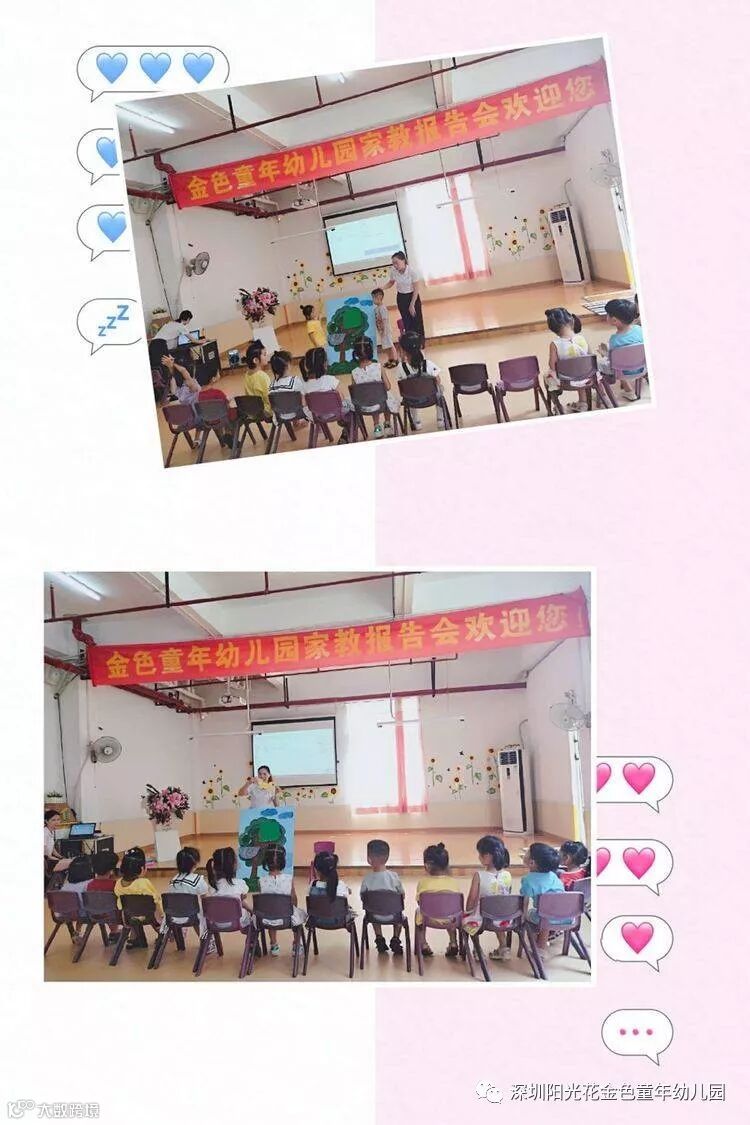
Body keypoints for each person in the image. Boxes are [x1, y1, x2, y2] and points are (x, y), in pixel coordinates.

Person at [462, 835, 512, 959]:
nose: (479, 857)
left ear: (488, 856)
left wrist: (468, 911)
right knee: (498, 910)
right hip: (504, 918)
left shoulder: (479, 875)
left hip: (483, 918)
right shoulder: (507, 875)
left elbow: (472, 898)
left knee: (467, 920)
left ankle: (477, 949)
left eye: (480, 854)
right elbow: (506, 895)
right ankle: (504, 947)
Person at [415, 842, 462, 958]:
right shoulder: (453, 882)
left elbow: (420, 903)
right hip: (450, 920)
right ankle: (453, 942)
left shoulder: (422, 882)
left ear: (427, 865)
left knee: (419, 912)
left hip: (429, 919)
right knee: (451, 912)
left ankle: (423, 944)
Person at [519, 842, 565, 958]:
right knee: (546, 913)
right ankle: (544, 942)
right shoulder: (553, 875)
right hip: (565, 916)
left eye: (527, 852)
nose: (525, 853)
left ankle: (538, 946)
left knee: (532, 915)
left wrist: (522, 917)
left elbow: (524, 902)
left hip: (545, 917)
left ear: (532, 863)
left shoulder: (528, 880)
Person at [258, 844, 306, 955]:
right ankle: (296, 945)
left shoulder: (261, 880)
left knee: (271, 911)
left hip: (267, 919)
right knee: (298, 917)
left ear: (265, 862)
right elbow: (293, 898)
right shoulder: (289, 879)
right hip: (287, 918)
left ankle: (274, 945)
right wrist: (293, 909)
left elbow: (264, 901)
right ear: (283, 861)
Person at [359, 839, 404, 955]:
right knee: (398, 912)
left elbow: (363, 897)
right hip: (394, 915)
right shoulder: (394, 876)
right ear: (387, 857)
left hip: (374, 916)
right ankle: (395, 938)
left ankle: (379, 938)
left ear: (369, 858)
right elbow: (402, 895)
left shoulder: (367, 879)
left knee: (373, 908)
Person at [351, 336, 400, 439]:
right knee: (385, 396)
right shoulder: (378, 367)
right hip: (381, 404)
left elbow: (355, 393)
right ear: (371, 351)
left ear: (356, 353)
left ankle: (377, 427)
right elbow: (388, 387)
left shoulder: (354, 372)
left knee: (372, 397)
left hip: (364, 406)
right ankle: (387, 424)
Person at [543, 307, 591, 413]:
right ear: (572, 320)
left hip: (565, 380)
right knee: (579, 369)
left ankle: (557, 405)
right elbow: (590, 357)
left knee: (547, 376)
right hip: (586, 377)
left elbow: (552, 365)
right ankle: (583, 402)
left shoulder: (555, 344)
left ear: (553, 329)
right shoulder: (582, 338)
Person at [597, 298, 645, 400]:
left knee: (600, 364)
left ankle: (627, 391)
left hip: (622, 372)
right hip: (642, 368)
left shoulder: (614, 340)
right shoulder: (640, 330)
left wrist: (603, 353)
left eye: (607, 314)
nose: (606, 316)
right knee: (624, 359)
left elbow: (613, 360)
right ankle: (630, 390)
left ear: (614, 320)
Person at [397, 331, 445, 431]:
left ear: (403, 350)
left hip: (412, 401)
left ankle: (416, 422)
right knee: (440, 388)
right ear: (420, 348)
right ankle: (440, 419)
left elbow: (402, 386)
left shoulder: (400, 367)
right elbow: (438, 380)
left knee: (409, 392)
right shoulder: (428, 364)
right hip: (430, 398)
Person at [299, 347, 351, 439]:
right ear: (325, 363)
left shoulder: (304, 385)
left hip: (316, 415)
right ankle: (346, 432)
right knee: (351, 408)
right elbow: (341, 398)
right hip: (336, 413)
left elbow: (303, 404)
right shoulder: (331, 380)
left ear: (306, 365)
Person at [114, 852, 161, 949]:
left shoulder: (118, 883)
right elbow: (155, 899)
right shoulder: (144, 883)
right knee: (155, 911)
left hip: (128, 917)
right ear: (141, 869)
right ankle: (162, 934)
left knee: (136, 911)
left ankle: (135, 938)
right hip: (149, 916)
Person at [206, 846, 253, 926]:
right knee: (247, 910)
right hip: (237, 921)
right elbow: (243, 897)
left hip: (217, 922)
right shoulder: (240, 883)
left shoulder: (213, 886)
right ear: (234, 865)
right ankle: (251, 932)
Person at [385, 251, 424, 345]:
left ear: (403, 260)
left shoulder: (412, 271)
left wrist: (412, 305)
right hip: (401, 297)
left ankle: (420, 343)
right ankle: (410, 343)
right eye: (393, 263)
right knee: (406, 321)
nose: (395, 265)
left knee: (417, 321)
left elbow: (416, 289)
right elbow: (391, 282)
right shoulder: (393, 271)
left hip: (412, 297)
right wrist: (382, 288)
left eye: (396, 263)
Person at [87, 851, 122, 943]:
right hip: (114, 915)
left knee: (107, 907)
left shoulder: (90, 884)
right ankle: (115, 931)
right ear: (112, 868)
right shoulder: (114, 884)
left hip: (95, 914)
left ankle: (114, 931)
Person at [309, 852, 355, 920]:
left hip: (318, 919)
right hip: (338, 920)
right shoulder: (340, 885)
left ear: (316, 870)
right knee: (350, 909)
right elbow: (349, 892)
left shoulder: (313, 884)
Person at [371, 288, 398, 367]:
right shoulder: (376, 309)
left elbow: (385, 320)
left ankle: (395, 360)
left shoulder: (382, 308)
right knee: (386, 347)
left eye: (373, 298)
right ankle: (390, 360)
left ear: (379, 297)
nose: (372, 300)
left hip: (386, 331)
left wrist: (384, 331)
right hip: (381, 331)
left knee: (390, 345)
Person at [243, 340, 271, 414]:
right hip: (265, 412)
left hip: (253, 411)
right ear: (256, 360)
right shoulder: (263, 376)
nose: (267, 356)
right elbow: (269, 398)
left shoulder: (247, 374)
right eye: (264, 354)